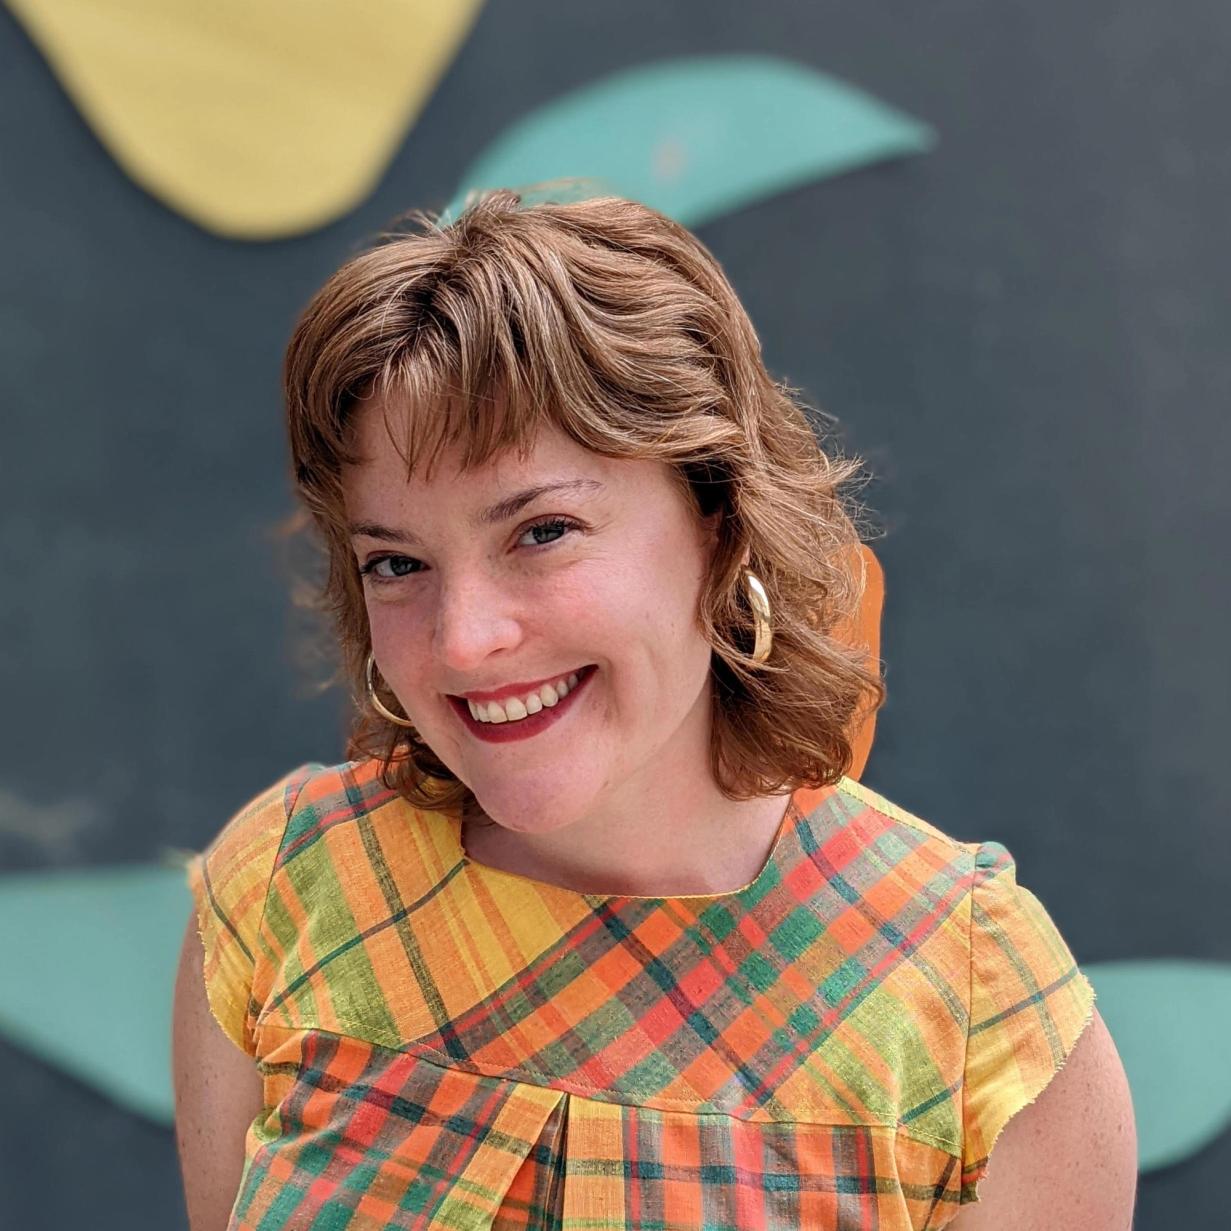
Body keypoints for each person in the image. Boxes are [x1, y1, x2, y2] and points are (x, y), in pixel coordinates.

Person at [171, 189, 1137, 1230]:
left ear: (720, 523)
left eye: (540, 531)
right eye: (397, 562)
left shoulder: (976, 1009)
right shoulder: (284, 892)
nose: (461, 639)